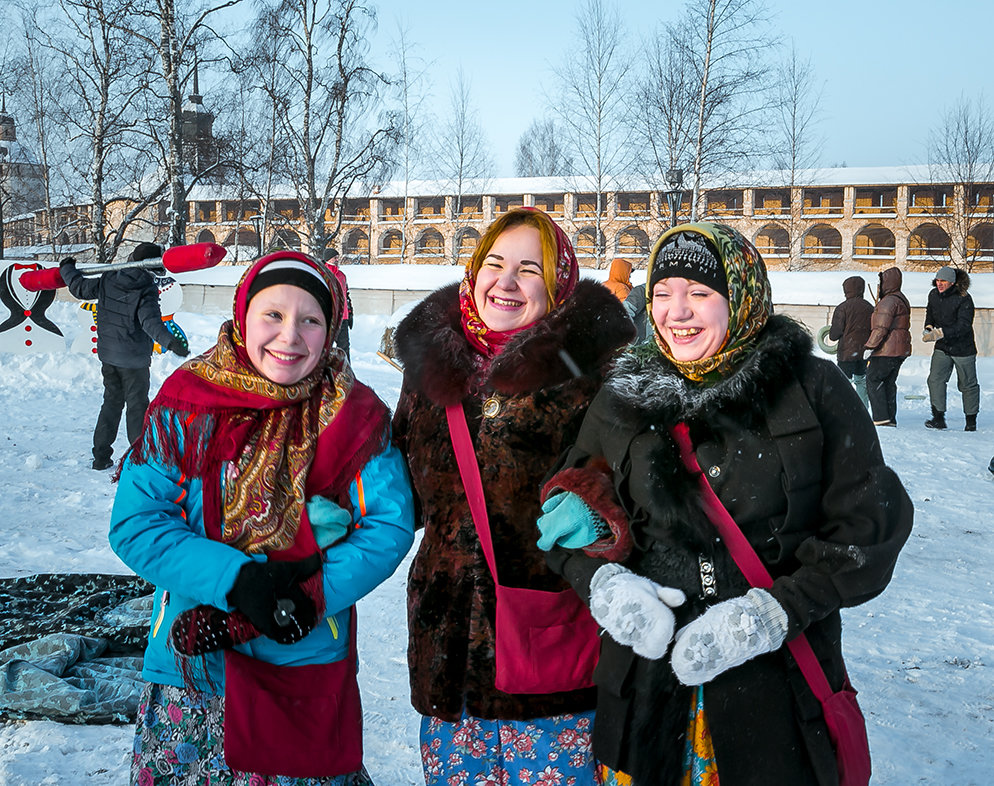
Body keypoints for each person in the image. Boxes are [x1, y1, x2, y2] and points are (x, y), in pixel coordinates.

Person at [536, 223, 913, 785]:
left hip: (774, 696)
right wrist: (604, 586)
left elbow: (869, 532)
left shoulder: (812, 387)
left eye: (700, 293)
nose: (676, 311)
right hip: (643, 695)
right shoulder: (624, 393)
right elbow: (565, 511)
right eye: (662, 292)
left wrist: (770, 615)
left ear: (740, 298)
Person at [108, 250, 415, 785]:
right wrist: (238, 580)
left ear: (330, 328)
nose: (290, 335)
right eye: (273, 314)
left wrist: (312, 595)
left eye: (310, 319)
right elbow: (138, 522)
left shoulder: (355, 414)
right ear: (243, 314)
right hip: (195, 660)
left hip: (303, 653)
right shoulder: (188, 402)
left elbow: (386, 526)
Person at [391, 207, 635, 785]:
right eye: (494, 263)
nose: (505, 281)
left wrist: (599, 510)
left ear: (558, 286)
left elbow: (642, 481)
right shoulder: (431, 371)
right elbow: (403, 482)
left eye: (530, 269)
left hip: (551, 648)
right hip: (446, 645)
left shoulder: (599, 373)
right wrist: (345, 501)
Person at [60, 242, 189, 470]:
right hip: (134, 361)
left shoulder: (110, 278)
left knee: (111, 402)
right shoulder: (145, 288)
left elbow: (79, 287)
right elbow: (150, 323)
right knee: (137, 407)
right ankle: (141, 460)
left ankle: (101, 457)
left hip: (108, 356)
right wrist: (171, 342)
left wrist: (66, 268)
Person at [923, 265, 980, 431]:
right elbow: (930, 312)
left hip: (963, 348)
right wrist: (928, 327)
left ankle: (971, 421)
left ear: (953, 283)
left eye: (944, 281)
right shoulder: (933, 295)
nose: (939, 284)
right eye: (938, 280)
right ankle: (938, 418)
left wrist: (941, 333)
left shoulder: (964, 298)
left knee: (968, 385)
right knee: (935, 379)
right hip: (943, 347)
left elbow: (964, 325)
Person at [864, 266, 911, 427]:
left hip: (887, 349)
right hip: (900, 349)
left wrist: (870, 346)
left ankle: (881, 418)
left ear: (887, 282)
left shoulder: (888, 302)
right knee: (889, 383)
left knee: (873, 378)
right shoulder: (901, 298)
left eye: (882, 281)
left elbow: (881, 328)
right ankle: (889, 418)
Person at [828, 275, 873, 408]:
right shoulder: (870, 307)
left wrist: (831, 333)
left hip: (846, 354)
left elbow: (834, 334)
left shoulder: (842, 308)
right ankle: (863, 409)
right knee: (861, 381)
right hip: (864, 353)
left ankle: (842, 409)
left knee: (843, 382)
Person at [325, 249, 354, 361]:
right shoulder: (323, 273)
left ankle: (346, 372)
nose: (337, 259)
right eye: (335, 257)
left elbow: (346, 295)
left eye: (337, 257)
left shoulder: (342, 275)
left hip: (343, 317)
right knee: (325, 347)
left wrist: (350, 312)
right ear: (328, 258)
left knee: (344, 347)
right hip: (328, 317)